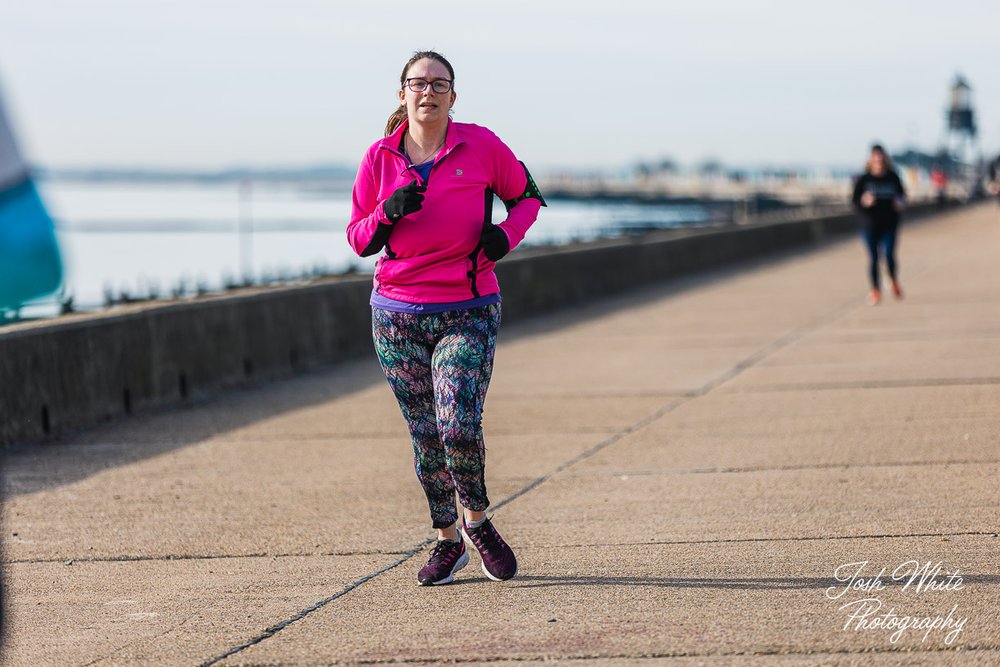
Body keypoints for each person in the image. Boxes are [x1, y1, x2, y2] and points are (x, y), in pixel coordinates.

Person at [347, 51, 545, 586]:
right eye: (418, 83)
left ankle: (477, 522)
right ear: (402, 93)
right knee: (425, 436)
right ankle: (446, 539)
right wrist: (388, 211)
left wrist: (504, 236)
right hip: (396, 314)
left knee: (458, 423)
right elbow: (359, 238)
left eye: (439, 84)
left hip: (468, 307)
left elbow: (528, 197)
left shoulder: (479, 145)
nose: (428, 92)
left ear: (453, 96)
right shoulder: (379, 159)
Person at [851, 144, 906, 305]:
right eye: (876, 158)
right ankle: (875, 290)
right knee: (874, 258)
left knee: (889, 255)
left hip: (889, 224)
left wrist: (899, 202)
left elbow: (902, 197)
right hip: (869, 225)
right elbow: (854, 201)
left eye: (881, 158)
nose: (879, 161)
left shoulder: (893, 177)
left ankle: (893, 280)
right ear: (871, 160)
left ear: (885, 159)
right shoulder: (864, 179)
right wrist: (864, 201)